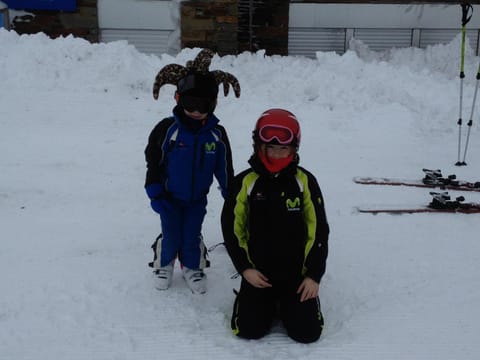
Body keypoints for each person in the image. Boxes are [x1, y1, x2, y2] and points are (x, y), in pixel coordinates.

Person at [221, 108, 329, 343]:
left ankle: (294, 305)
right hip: (258, 274)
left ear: (294, 149)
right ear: (259, 146)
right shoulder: (245, 182)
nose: (277, 154)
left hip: (296, 276)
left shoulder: (305, 181)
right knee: (247, 330)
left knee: (307, 334)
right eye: (270, 147)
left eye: (284, 148)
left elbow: (318, 229)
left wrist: (313, 275)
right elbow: (232, 228)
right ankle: (254, 299)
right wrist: (245, 268)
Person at [145, 49, 240, 294]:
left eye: (204, 104)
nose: (196, 111)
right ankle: (164, 264)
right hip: (169, 197)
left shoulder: (216, 134)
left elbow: (224, 165)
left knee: (191, 233)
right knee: (171, 232)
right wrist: (155, 191)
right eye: (190, 103)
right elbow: (153, 160)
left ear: (214, 104)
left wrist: (230, 192)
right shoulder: (167, 130)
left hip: (197, 198)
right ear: (178, 99)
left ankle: (193, 267)